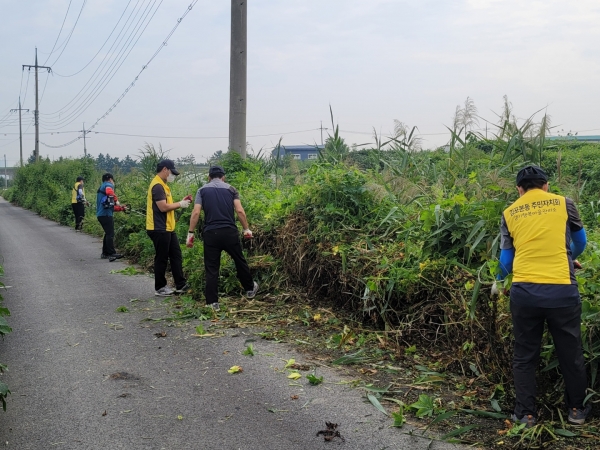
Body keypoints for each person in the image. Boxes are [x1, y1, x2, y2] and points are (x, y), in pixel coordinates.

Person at [495, 165, 590, 427]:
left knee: (525, 355)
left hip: (525, 292)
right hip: (562, 290)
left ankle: (526, 414)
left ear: (519, 189)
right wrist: (570, 258)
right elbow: (581, 243)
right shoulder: (564, 203)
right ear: (546, 185)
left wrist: (498, 282)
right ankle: (576, 411)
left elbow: (506, 259)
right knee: (570, 353)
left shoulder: (510, 212)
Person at [186, 165, 258, 311]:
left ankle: (212, 303)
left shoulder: (202, 190)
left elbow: (196, 212)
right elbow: (239, 210)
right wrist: (246, 229)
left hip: (211, 234)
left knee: (212, 268)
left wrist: (191, 233)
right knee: (239, 260)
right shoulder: (231, 189)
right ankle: (250, 289)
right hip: (229, 232)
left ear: (209, 177)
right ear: (223, 176)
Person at [146, 159, 191, 296]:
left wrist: (180, 202)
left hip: (168, 228)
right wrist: (180, 204)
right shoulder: (158, 186)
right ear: (165, 169)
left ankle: (180, 285)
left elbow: (168, 205)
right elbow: (163, 207)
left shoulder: (163, 185)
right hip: (159, 228)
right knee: (162, 258)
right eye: (172, 172)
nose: (173, 176)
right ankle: (160, 287)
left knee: (176, 255)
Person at [96, 173, 127, 262]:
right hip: (105, 215)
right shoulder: (107, 184)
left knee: (107, 233)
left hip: (102, 215)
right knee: (110, 234)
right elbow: (110, 192)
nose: (112, 182)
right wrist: (117, 200)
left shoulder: (102, 191)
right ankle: (111, 253)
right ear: (110, 179)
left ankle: (105, 253)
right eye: (112, 180)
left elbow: (110, 207)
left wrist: (121, 208)